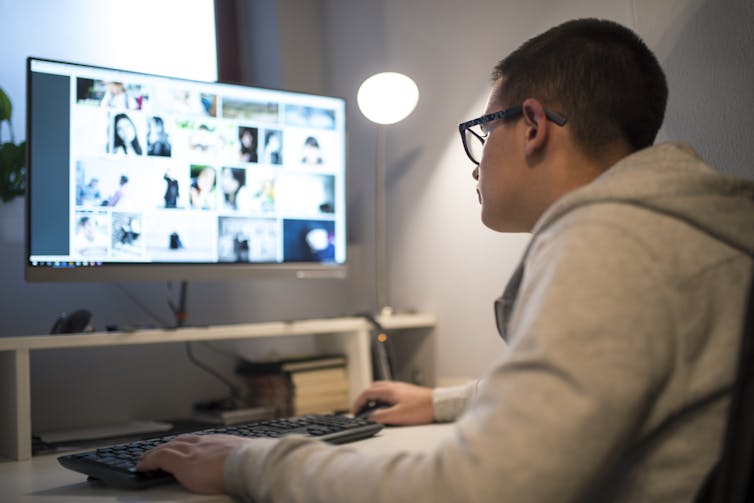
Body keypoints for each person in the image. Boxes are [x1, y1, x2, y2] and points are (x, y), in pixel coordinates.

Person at [137, 18, 754, 501]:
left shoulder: (612, 238)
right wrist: (442, 402)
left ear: (533, 125)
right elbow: (608, 377)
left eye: (484, 133)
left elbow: (474, 489)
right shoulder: (683, 229)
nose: (478, 162)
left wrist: (249, 461)